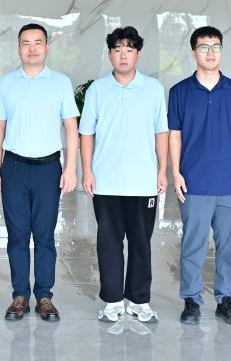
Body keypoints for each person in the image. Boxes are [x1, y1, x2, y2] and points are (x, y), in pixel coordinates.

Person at [80, 26, 168, 324]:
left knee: (141, 243)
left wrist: (162, 169)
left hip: (143, 182)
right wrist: (87, 171)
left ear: (138, 54)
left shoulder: (153, 89)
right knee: (109, 243)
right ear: (110, 54)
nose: (123, 55)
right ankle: (113, 301)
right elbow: (86, 133)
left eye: (129, 49)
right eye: (117, 49)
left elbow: (161, 132)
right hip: (106, 182)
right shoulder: (97, 90)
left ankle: (140, 301)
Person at [0, 23, 79, 322]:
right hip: (14, 168)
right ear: (19, 48)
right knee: (17, 235)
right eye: (26, 43)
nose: (32, 49)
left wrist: (70, 168)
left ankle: (44, 296)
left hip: (48, 169)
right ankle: (19, 295)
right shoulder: (7, 83)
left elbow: (71, 127)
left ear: (47, 47)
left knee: (44, 236)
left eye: (37, 43)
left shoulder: (61, 83)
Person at [168, 26, 231, 326]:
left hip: (229, 183)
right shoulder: (180, 92)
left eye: (216, 46)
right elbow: (174, 135)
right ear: (194, 53)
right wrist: (176, 172)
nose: (211, 52)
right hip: (194, 182)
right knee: (194, 245)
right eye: (204, 47)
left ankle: (226, 300)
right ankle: (191, 300)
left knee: (229, 246)